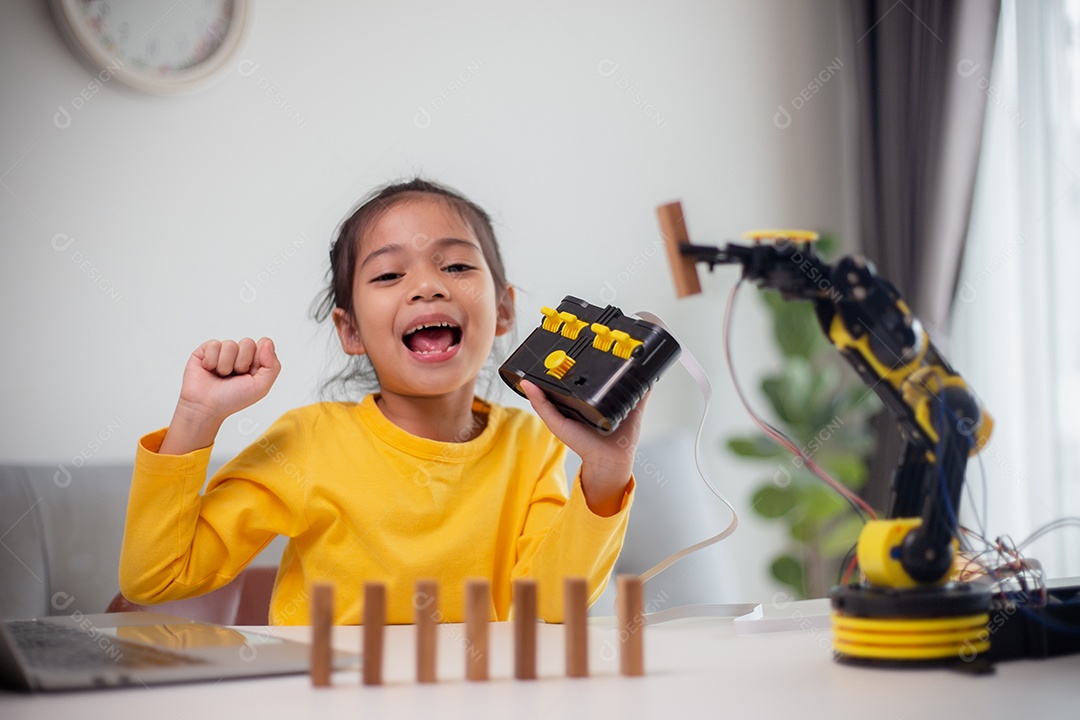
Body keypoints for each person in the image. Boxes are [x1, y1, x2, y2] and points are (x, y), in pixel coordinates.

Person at [119, 178, 646, 625]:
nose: (427, 286)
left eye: (456, 266)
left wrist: (606, 473)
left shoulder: (532, 442)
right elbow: (157, 577)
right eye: (390, 274)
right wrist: (197, 417)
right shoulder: (308, 441)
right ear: (350, 329)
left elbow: (552, 605)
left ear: (504, 311)